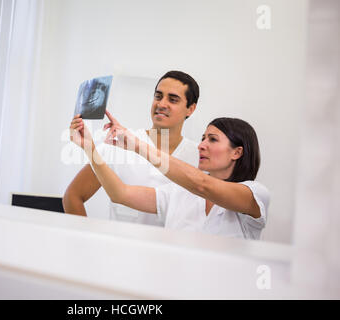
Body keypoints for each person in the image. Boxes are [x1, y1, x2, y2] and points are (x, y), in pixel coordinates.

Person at [69, 112, 270, 240]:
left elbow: (202, 185)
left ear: (237, 152)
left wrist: (138, 145)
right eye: (202, 138)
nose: (202, 145)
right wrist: (90, 149)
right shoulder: (179, 193)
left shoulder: (255, 195)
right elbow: (120, 194)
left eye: (213, 139)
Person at [63, 71, 201, 226]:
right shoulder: (119, 145)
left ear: (190, 109)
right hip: (122, 249)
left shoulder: (199, 157)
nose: (162, 104)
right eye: (158, 96)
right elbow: (72, 196)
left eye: (173, 99)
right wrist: (84, 240)